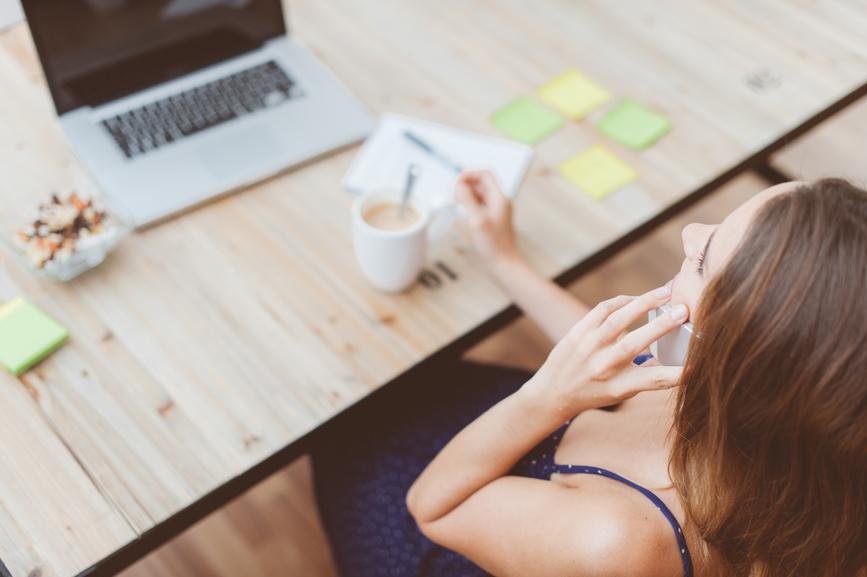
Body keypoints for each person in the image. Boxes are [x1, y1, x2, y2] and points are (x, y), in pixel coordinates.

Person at [313, 174, 867, 577]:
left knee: (334, 424)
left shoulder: (620, 542)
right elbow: (618, 357)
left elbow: (432, 506)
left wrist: (547, 397)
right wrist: (508, 263)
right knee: (404, 383)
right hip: (523, 429)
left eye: (704, 260)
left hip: (446, 508)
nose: (692, 232)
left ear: (729, 362)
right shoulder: (764, 416)